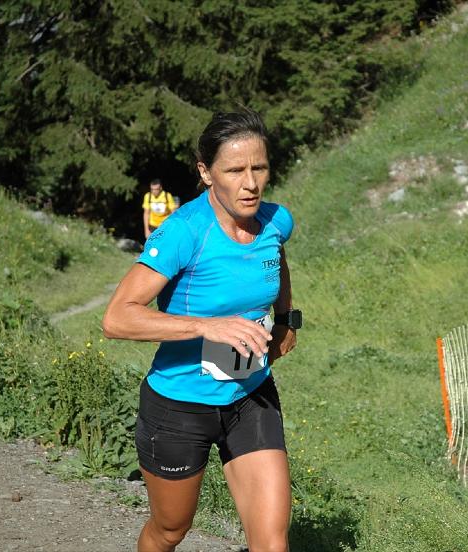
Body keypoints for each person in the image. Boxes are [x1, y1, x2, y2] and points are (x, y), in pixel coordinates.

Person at [102, 109, 302, 552]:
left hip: (250, 394)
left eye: (259, 168)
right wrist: (210, 326)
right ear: (206, 173)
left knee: (272, 541)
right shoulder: (184, 232)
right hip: (179, 407)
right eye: (234, 170)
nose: (250, 183)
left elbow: (277, 260)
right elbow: (116, 318)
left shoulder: (275, 221)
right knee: (170, 530)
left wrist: (286, 317)